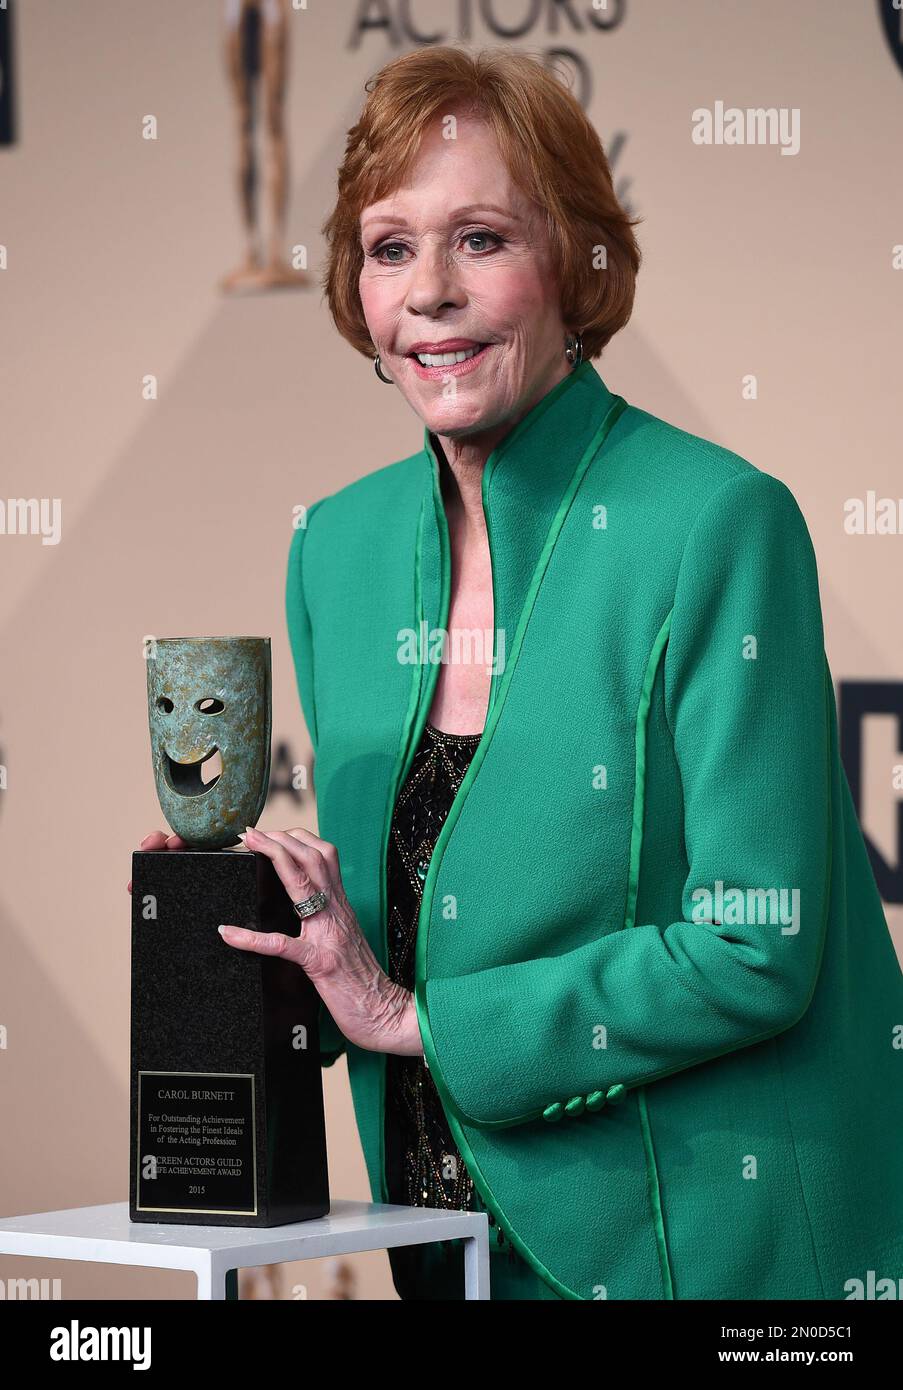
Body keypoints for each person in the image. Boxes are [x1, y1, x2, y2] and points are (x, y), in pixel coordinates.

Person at [135, 46, 903, 1300]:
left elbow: (756, 948)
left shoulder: (716, 522)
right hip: (440, 1244)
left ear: (578, 265)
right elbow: (406, 933)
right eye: (390, 248)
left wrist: (420, 1024)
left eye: (480, 239)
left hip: (699, 1250)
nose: (429, 292)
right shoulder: (338, 547)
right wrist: (246, 923)